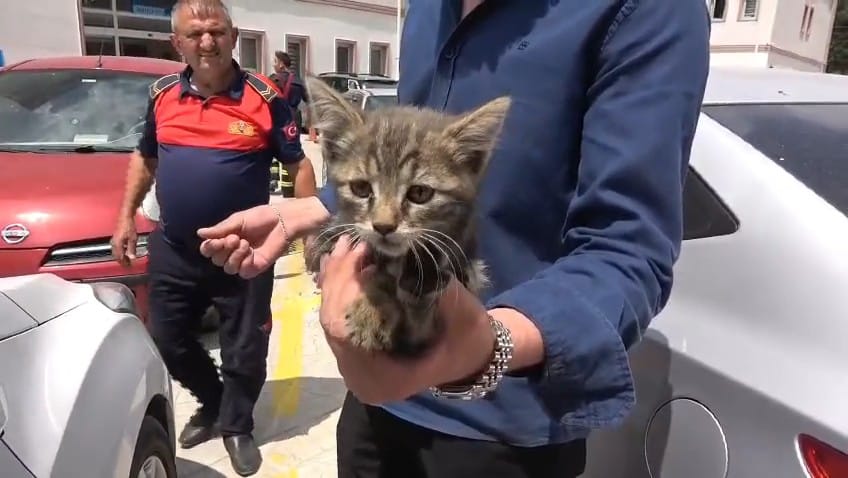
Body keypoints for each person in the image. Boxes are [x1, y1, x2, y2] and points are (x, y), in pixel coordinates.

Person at [196, 0, 711, 476]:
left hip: (501, 430)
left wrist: (487, 347)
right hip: (376, 403)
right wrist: (316, 207)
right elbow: (407, 163)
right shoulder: (428, 9)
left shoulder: (646, 10)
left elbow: (625, 249)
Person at [109, 0, 317, 475]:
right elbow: (145, 158)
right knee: (166, 337)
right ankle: (214, 399)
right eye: (195, 33)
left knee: (245, 345)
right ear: (176, 43)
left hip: (242, 255)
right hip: (175, 248)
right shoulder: (161, 94)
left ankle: (237, 426)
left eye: (217, 31)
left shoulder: (265, 97)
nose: (207, 41)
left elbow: (299, 166)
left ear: (234, 35)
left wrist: (304, 236)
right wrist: (124, 217)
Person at [269, 50, 308, 132]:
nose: (273, 65)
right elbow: (309, 100)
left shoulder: (273, 80)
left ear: (281, 64)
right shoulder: (298, 81)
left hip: (278, 119)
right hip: (295, 120)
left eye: (275, 61)